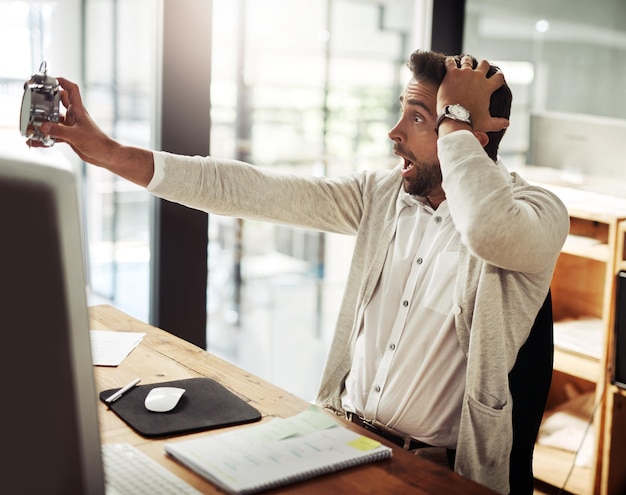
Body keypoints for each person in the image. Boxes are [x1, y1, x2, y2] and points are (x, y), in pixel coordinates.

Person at [35, 50, 569, 494]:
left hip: (436, 475)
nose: (393, 132)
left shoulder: (537, 213)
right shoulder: (381, 195)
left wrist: (456, 126)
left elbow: (489, 230)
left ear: (467, 136)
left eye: (419, 118)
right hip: (342, 441)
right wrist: (107, 153)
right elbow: (248, 188)